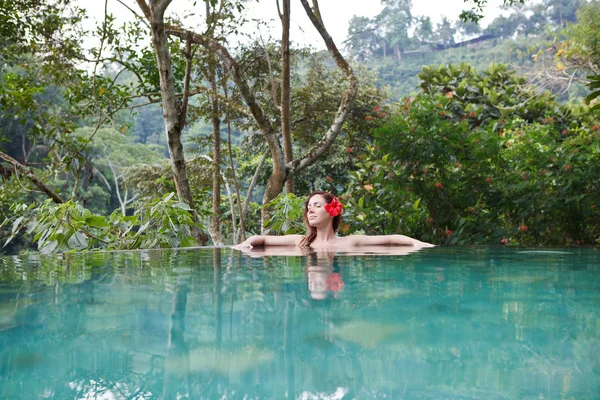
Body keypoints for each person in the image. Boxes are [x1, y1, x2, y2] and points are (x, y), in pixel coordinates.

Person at [234, 190, 434, 250]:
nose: (310, 210)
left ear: (331, 212)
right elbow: (261, 239)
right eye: (309, 207)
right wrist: (245, 244)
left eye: (317, 206)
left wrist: (417, 243)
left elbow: (391, 239)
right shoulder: (300, 241)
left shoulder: (349, 242)